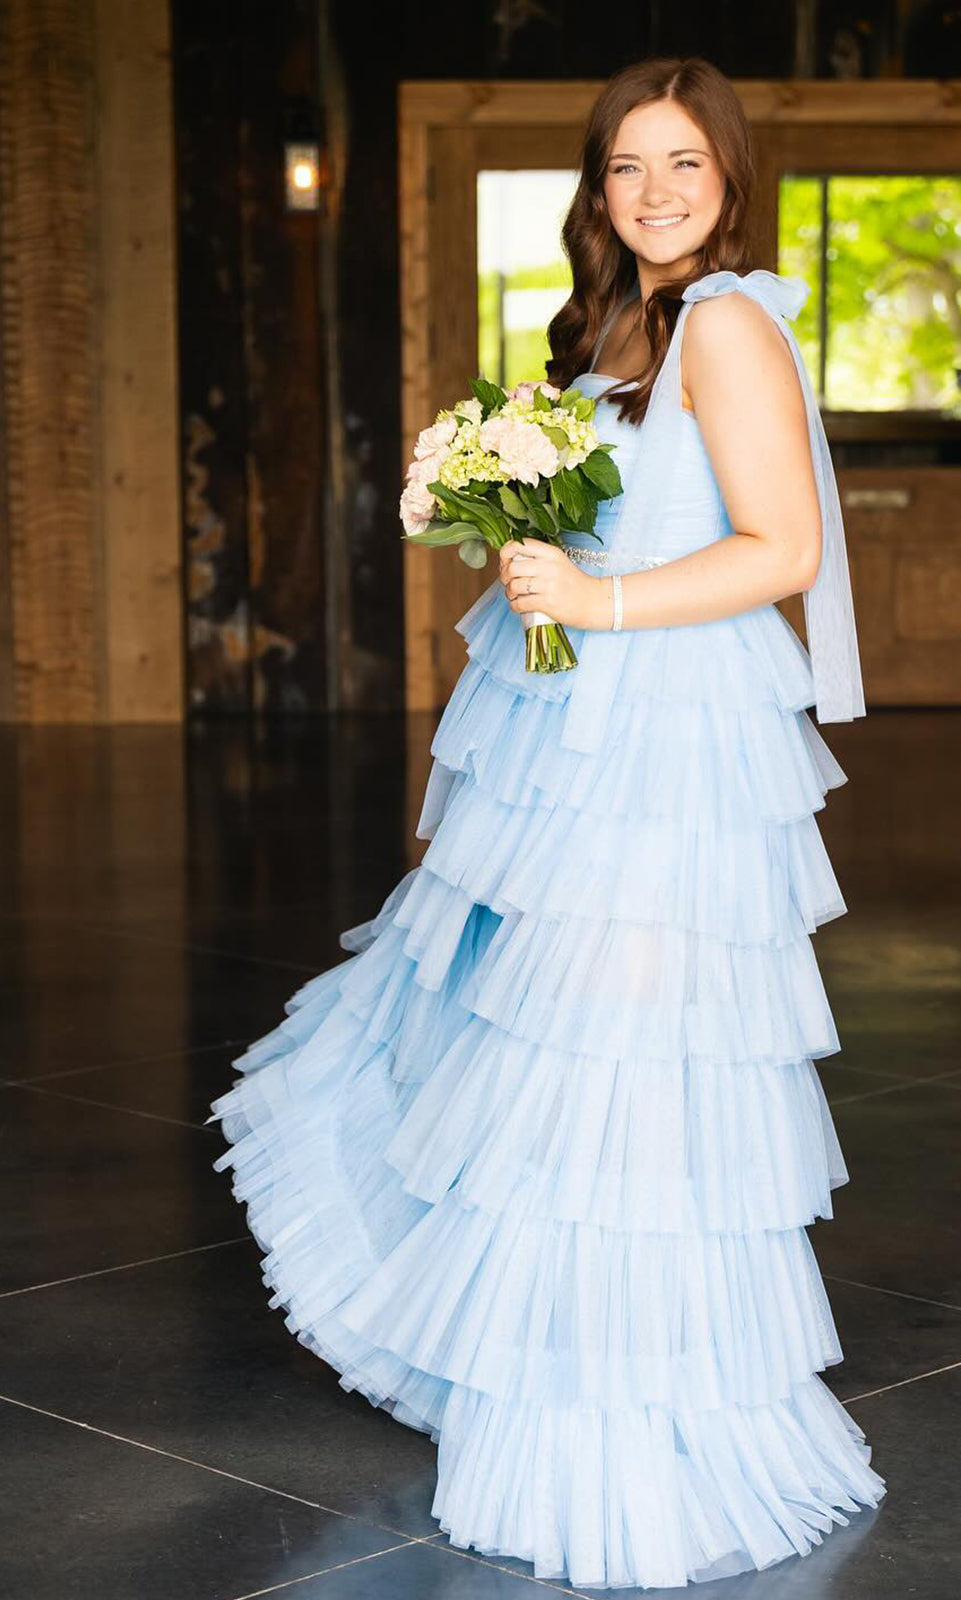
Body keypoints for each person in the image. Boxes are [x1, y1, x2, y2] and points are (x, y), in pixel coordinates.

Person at [207, 53, 883, 1591]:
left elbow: (781, 551)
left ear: (729, 182)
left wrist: (601, 595)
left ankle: (626, 1417)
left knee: (624, 1065)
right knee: (535, 1045)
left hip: (669, 752)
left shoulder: (726, 325)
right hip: (579, 736)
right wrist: (522, 548)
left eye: (683, 169)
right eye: (626, 169)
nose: (653, 195)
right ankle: (554, 1362)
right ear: (600, 191)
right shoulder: (617, 334)